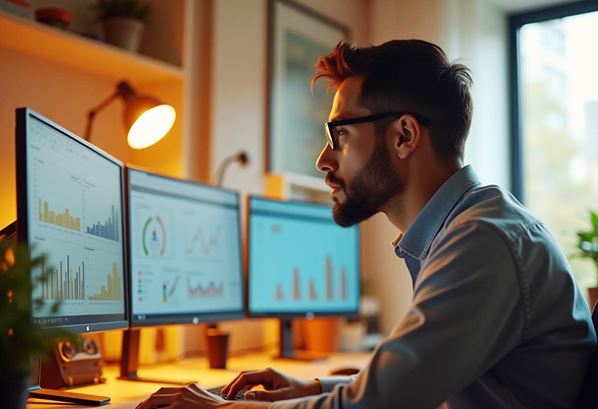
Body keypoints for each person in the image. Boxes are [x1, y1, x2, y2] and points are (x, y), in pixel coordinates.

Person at [138, 39, 596, 409]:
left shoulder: (483, 240)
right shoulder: (471, 228)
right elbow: (413, 380)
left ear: (404, 135)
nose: (323, 160)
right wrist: (312, 387)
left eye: (340, 135)